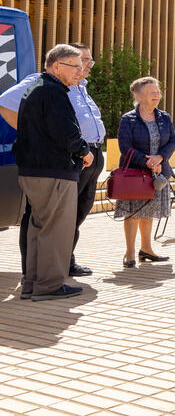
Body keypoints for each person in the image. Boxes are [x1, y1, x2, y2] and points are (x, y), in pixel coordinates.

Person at [0, 43, 106, 279]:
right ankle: (38, 273)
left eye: (87, 62)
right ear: (60, 65)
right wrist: (35, 135)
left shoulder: (79, 87)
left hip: (89, 156)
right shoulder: (43, 84)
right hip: (66, 158)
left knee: (74, 216)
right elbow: (5, 102)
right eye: (81, 62)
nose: (87, 67)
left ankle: (65, 262)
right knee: (47, 219)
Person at [15, 44, 93, 301]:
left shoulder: (36, 89)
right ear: (57, 66)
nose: (80, 72)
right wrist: (84, 152)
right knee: (56, 231)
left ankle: (32, 284)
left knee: (39, 228)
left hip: (34, 170)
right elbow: (65, 131)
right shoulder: (54, 92)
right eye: (75, 66)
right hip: (53, 173)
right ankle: (49, 285)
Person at [115, 77, 174, 268]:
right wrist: (148, 161)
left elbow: (172, 140)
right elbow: (125, 146)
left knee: (148, 212)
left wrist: (161, 158)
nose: (157, 96)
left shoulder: (164, 117)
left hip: (158, 173)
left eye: (158, 92)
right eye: (152, 93)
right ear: (139, 96)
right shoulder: (128, 119)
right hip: (135, 173)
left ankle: (147, 249)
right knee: (133, 212)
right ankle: (130, 252)